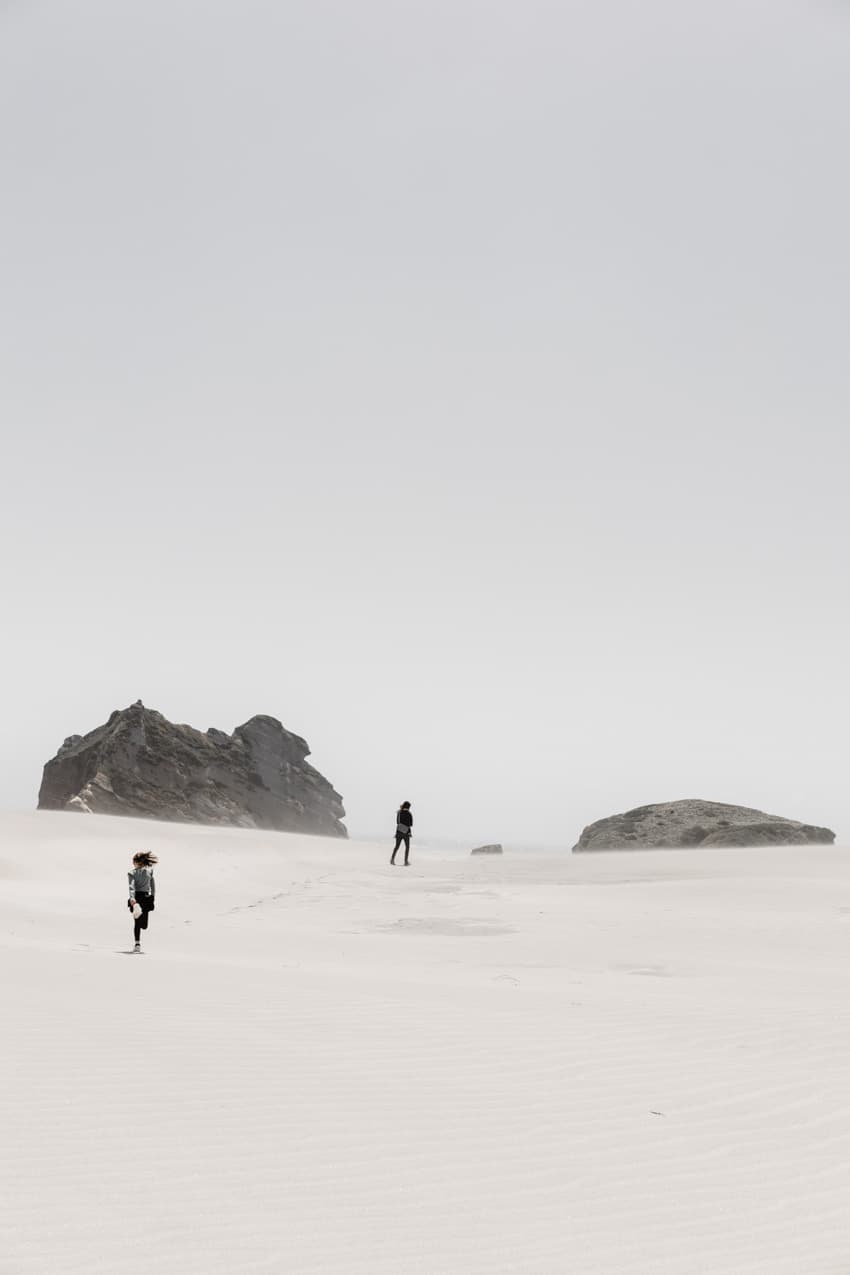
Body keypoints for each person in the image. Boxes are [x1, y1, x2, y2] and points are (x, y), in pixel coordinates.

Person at [127, 851, 157, 952]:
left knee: (139, 924)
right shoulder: (149, 872)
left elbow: (131, 886)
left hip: (137, 898)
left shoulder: (132, 873)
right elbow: (153, 886)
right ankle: (137, 944)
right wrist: (153, 896)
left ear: (137, 862)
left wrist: (132, 898)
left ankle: (137, 944)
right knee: (141, 924)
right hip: (146, 897)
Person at [391, 801, 413, 866]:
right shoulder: (409, 813)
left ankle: (392, 860)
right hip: (406, 832)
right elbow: (411, 824)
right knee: (407, 847)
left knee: (397, 846)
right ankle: (405, 861)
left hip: (398, 831)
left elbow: (397, 822)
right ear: (408, 807)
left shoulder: (399, 812)